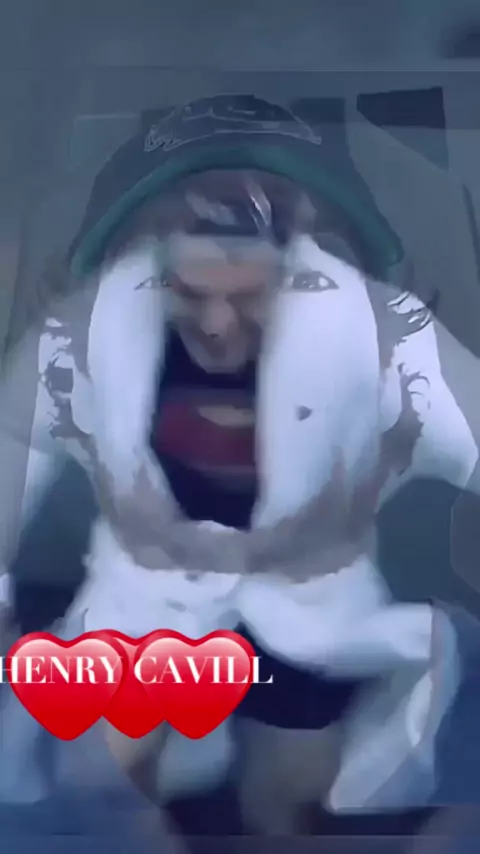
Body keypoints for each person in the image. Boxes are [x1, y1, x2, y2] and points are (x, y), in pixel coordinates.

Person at [0, 94, 478, 834]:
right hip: (137, 619)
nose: (221, 323)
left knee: (294, 800)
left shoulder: (394, 350)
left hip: (319, 623)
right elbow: (13, 449)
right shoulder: (76, 347)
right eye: (174, 266)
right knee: (105, 789)